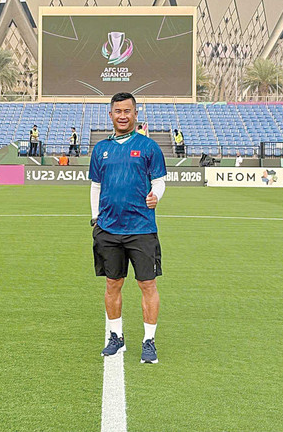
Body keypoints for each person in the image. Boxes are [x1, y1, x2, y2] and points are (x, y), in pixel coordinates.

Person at [90, 92, 167, 364]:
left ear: (136, 114)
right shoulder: (101, 149)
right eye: (117, 111)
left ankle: (149, 341)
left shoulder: (148, 147)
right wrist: (95, 218)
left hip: (141, 228)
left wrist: (157, 195)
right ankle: (116, 337)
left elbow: (159, 180)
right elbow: (96, 186)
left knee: (147, 284)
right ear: (110, 115)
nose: (122, 115)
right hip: (109, 229)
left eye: (127, 111)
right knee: (113, 284)